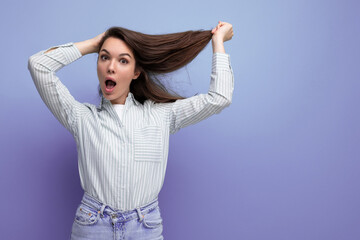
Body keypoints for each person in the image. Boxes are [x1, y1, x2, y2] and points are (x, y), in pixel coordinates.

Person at [28, 21, 234, 240]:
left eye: (123, 60)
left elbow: (219, 98)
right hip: (92, 225)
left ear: (136, 72)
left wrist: (218, 41)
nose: (111, 67)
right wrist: (94, 44)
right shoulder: (81, 117)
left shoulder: (162, 115)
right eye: (104, 57)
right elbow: (38, 65)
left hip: (145, 226)